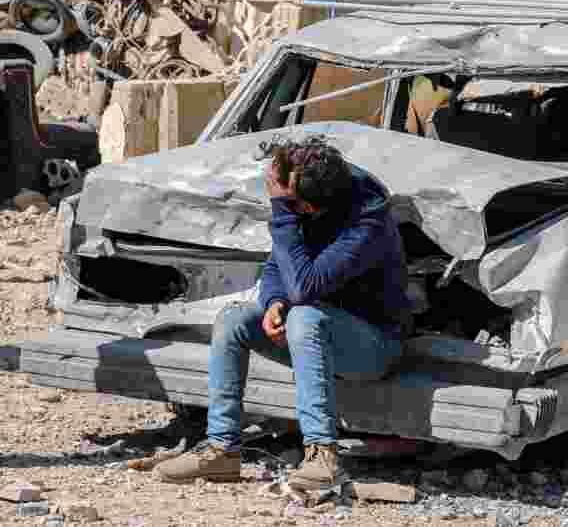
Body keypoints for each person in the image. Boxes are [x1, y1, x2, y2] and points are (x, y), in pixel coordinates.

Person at [155, 135, 413, 488]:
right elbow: (279, 266)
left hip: (373, 345)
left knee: (305, 315)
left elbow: (305, 287)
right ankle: (222, 449)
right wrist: (275, 301)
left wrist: (280, 211)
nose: (279, 204)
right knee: (233, 320)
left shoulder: (367, 222)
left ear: (309, 207)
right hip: (317, 332)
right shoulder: (310, 201)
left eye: (287, 202)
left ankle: (322, 456)